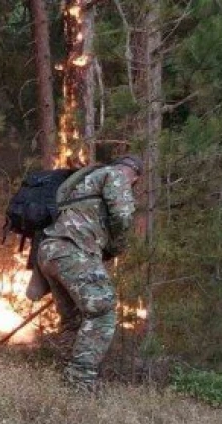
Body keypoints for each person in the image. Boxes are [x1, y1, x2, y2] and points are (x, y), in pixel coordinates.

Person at [36, 155, 142, 392]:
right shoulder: (116, 176)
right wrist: (117, 246)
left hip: (49, 251)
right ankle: (79, 383)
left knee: (73, 321)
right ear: (134, 176)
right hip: (73, 249)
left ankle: (62, 380)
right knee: (102, 311)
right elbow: (123, 216)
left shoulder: (84, 181)